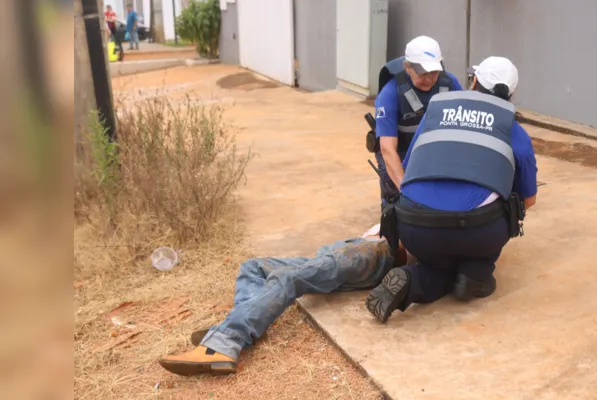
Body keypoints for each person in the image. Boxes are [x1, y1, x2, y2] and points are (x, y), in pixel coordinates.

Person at [365, 57, 539, 323]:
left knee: (438, 263)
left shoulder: (435, 114)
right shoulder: (514, 132)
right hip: (477, 233)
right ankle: (476, 272)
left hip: (414, 227)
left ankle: (413, 281)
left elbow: (410, 169)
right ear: (511, 93)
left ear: (474, 82)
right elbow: (529, 200)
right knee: (506, 205)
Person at [158, 226, 409, 376]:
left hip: (366, 254)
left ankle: (225, 344)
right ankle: (255, 321)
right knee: (253, 266)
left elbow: (410, 248)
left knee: (287, 278)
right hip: (344, 252)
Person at [372, 36, 463, 205]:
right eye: (423, 73)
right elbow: (387, 149)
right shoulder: (390, 93)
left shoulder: (450, 84)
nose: (429, 79)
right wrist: (406, 192)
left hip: (435, 150)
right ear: (408, 67)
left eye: (434, 73)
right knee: (398, 204)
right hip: (401, 152)